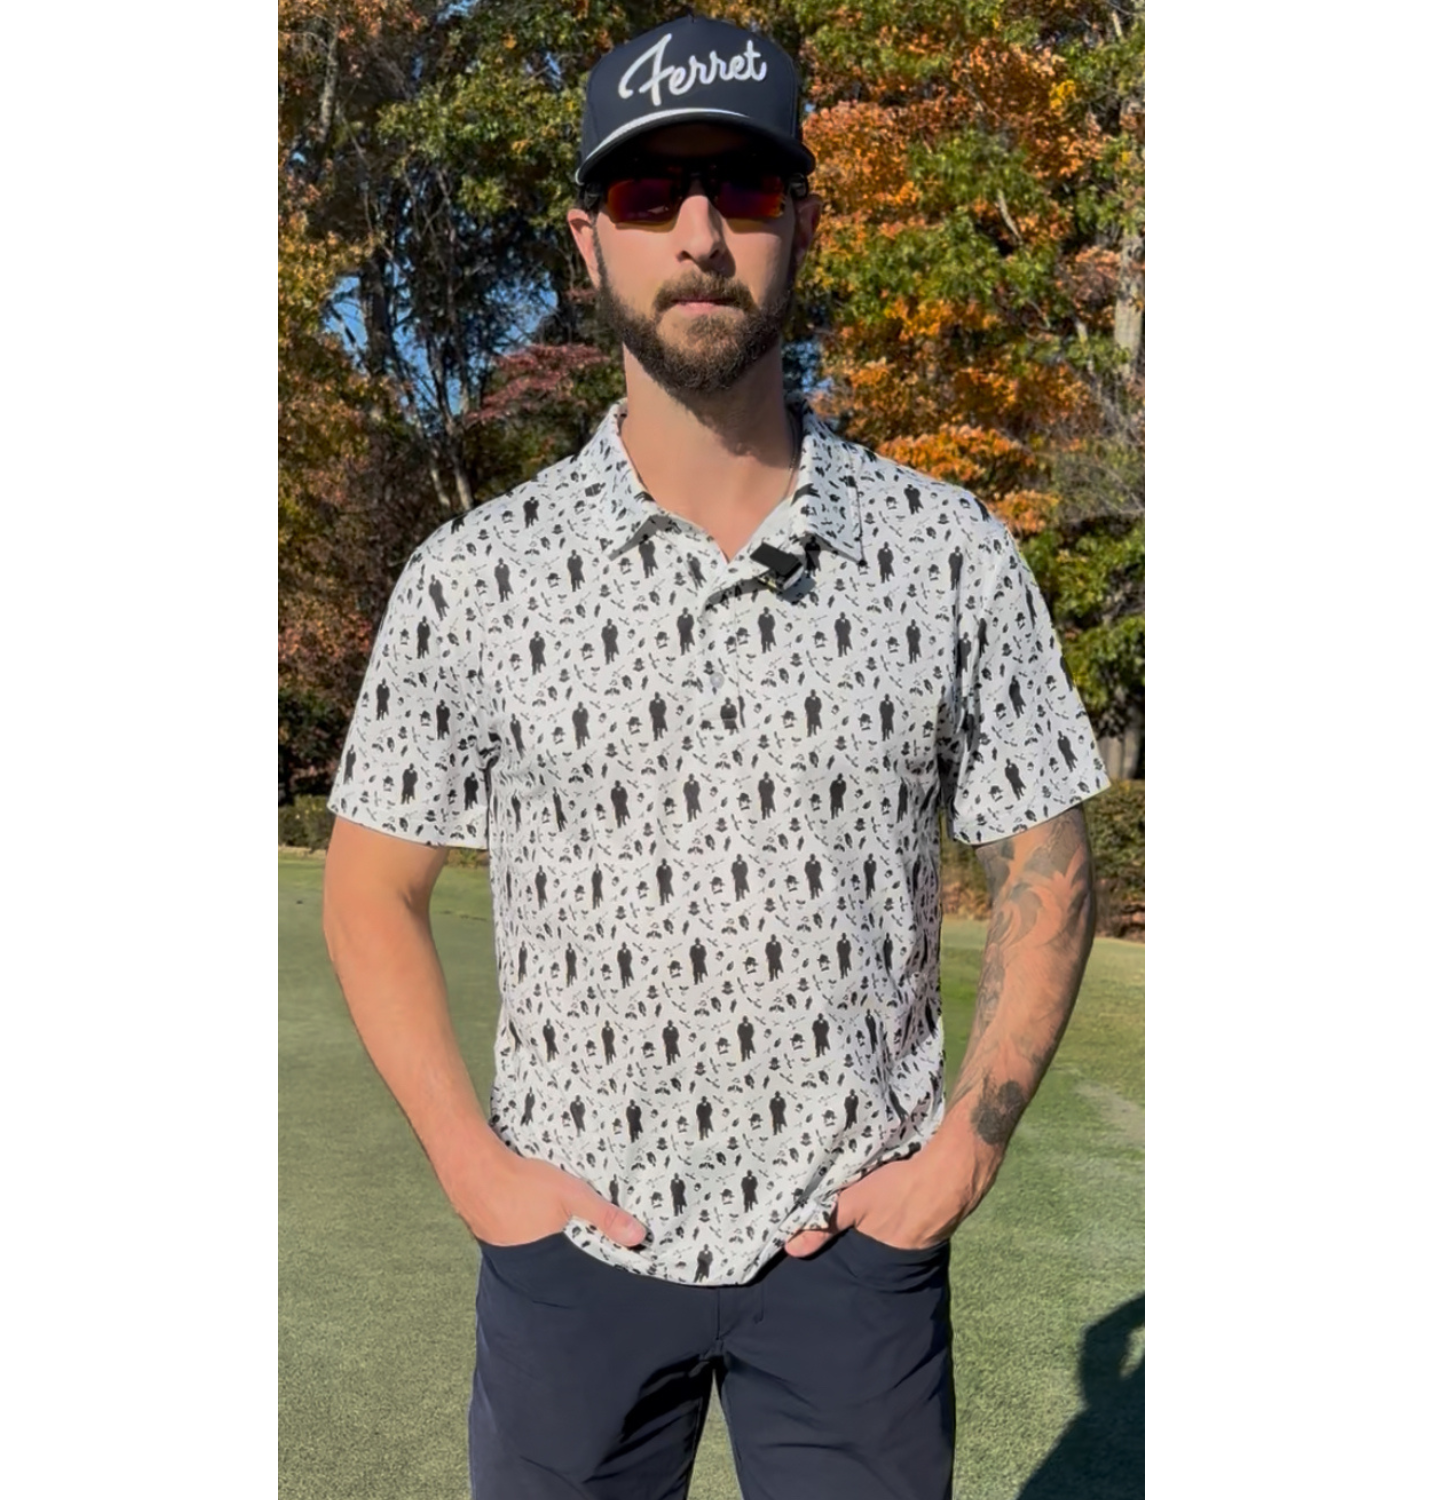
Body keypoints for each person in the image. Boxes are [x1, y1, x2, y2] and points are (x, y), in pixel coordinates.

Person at [321, 14, 1111, 1500]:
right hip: (572, 1252)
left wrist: (966, 1153)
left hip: (849, 1260)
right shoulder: (479, 575)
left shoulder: (943, 553)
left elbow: (1042, 851)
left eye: (743, 188)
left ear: (803, 218)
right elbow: (372, 885)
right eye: (648, 193)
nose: (699, 232)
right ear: (588, 237)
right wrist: (471, 1167)